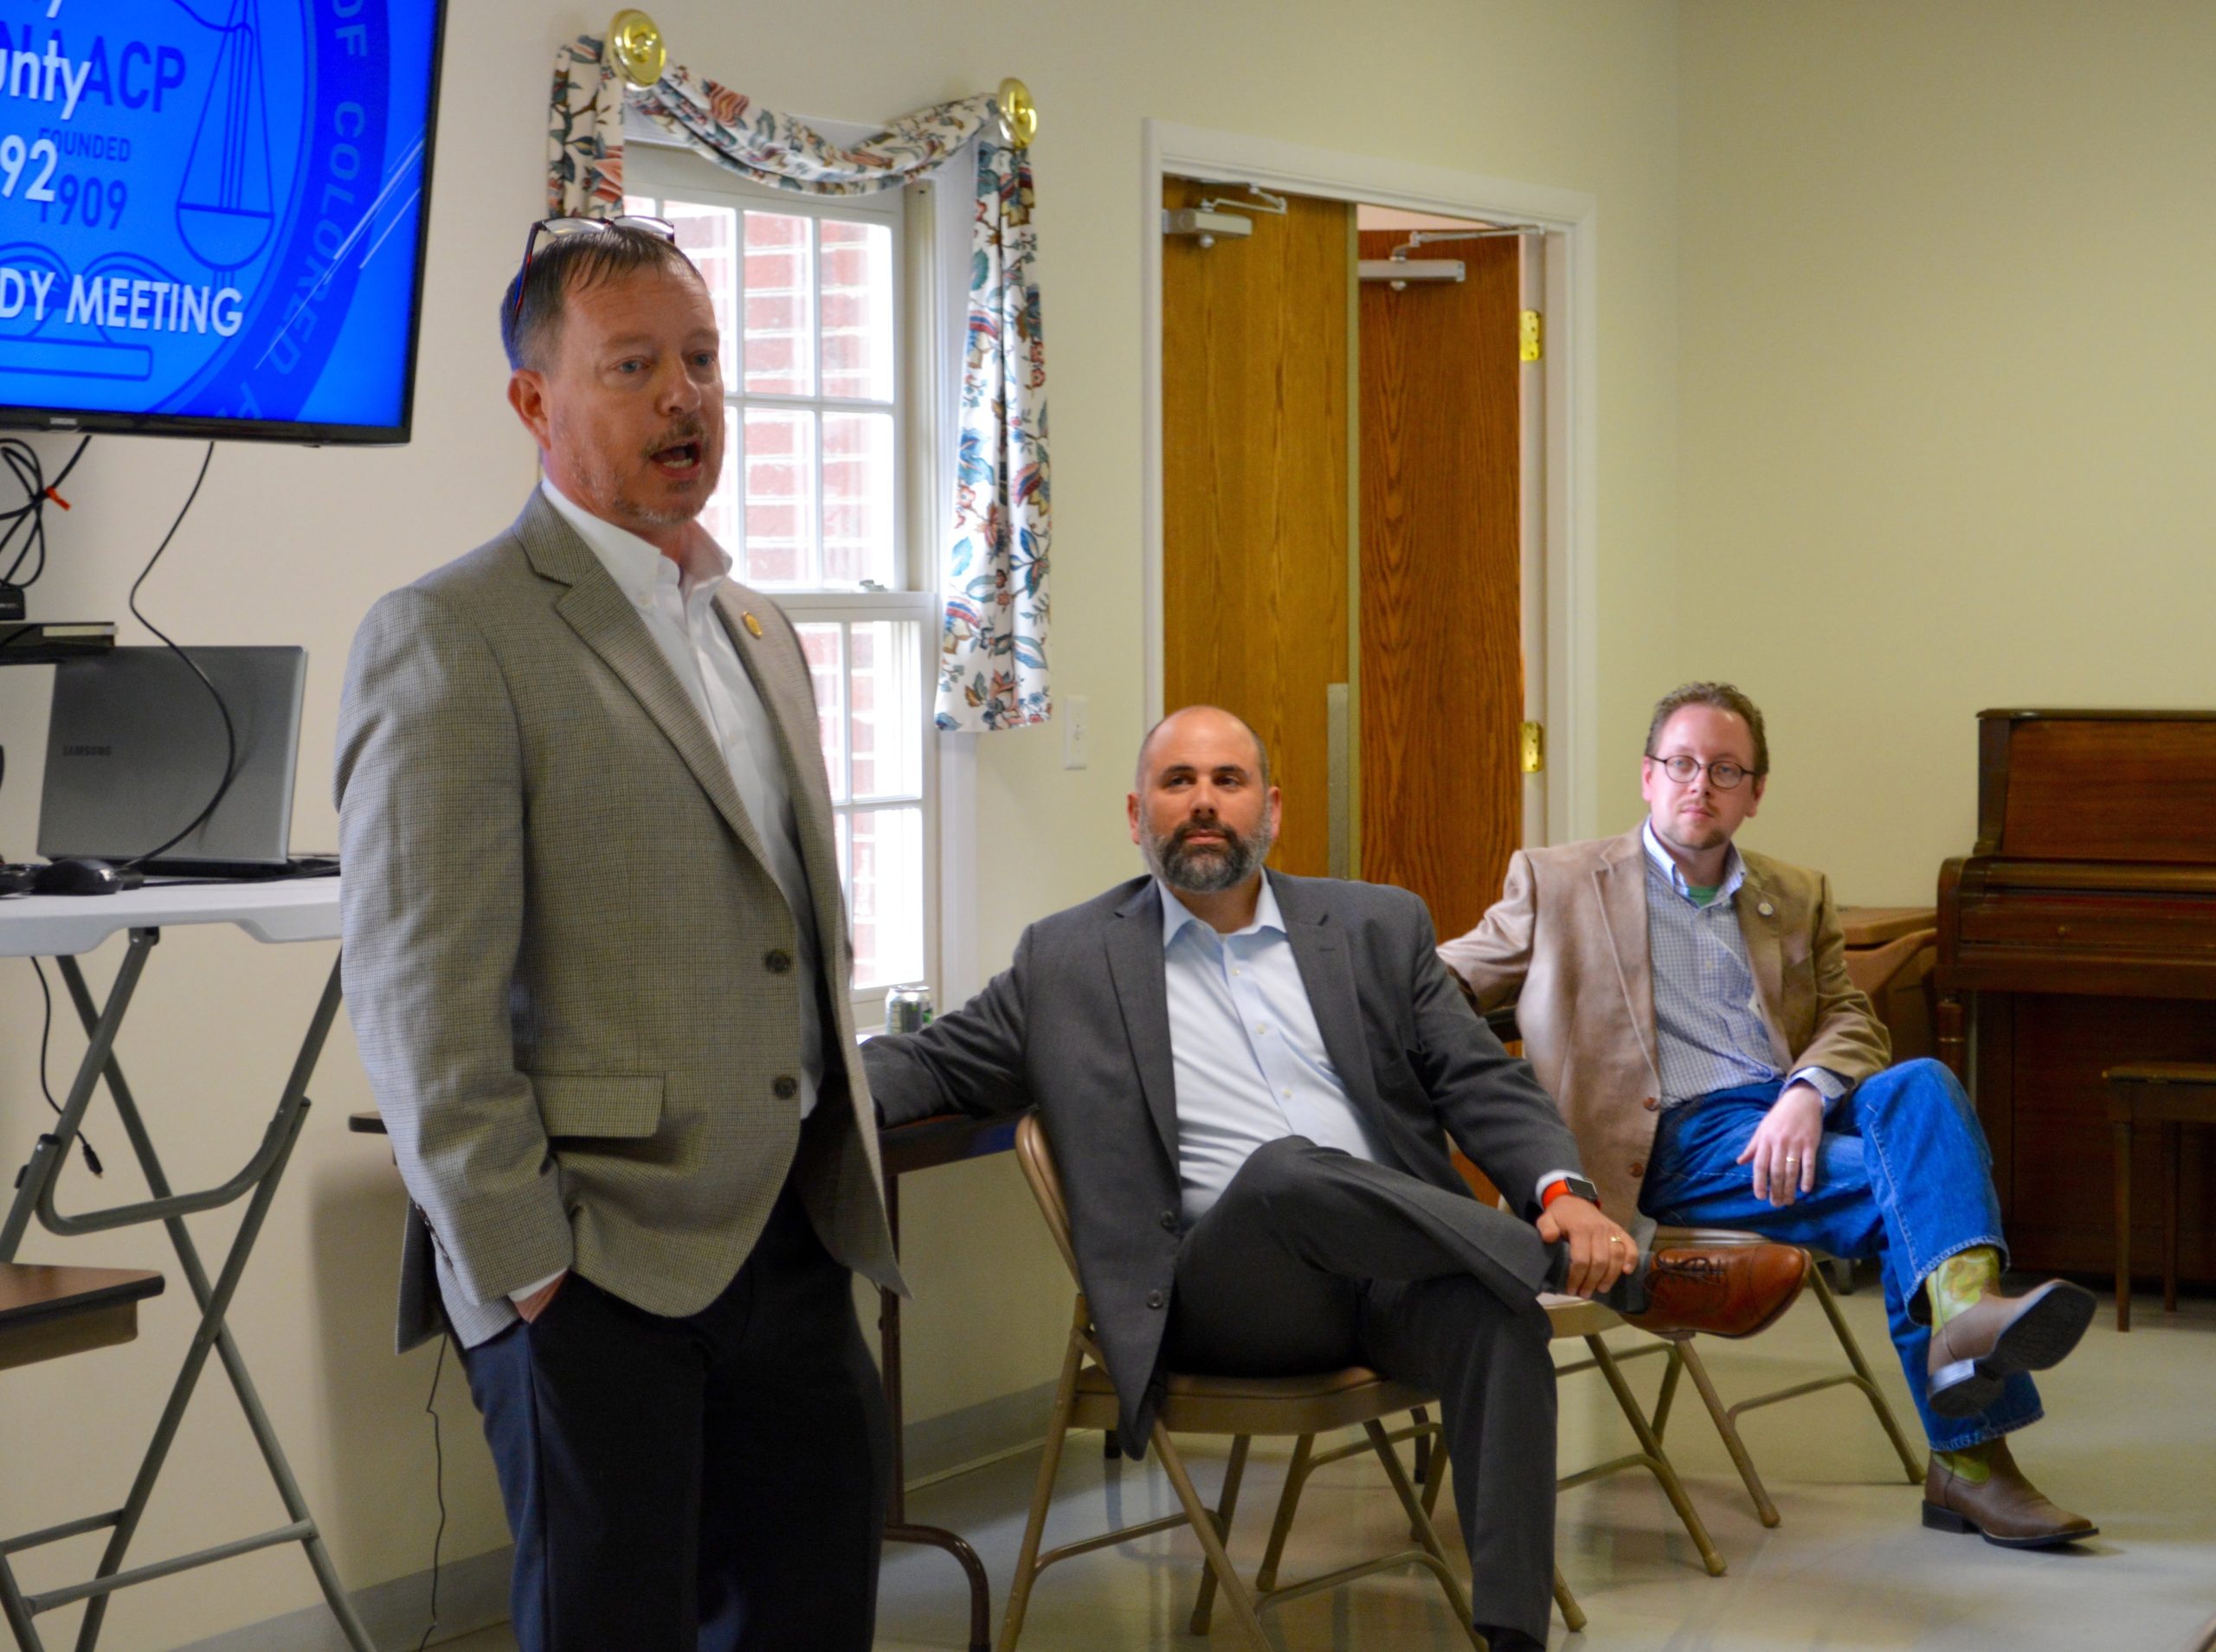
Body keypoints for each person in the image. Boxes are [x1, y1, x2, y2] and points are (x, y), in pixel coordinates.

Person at [863, 705, 1807, 1652]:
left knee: (1494, 1322)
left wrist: (1562, 1192)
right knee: (1285, 1173)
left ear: (1269, 808)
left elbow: (1478, 1077)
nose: (1203, 804)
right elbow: (932, 1065)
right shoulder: (1066, 958)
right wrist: (794, 1091)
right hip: (1225, 1292)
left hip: (1394, 1268)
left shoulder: (1372, 925)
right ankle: (1619, 1278)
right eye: (1177, 782)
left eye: (1227, 782)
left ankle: (1512, 1636)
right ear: (1134, 812)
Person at [335, 217, 902, 1651]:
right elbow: (421, 997)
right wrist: (528, 1266)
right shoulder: (453, 633)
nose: (685, 398)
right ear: (537, 401)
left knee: (813, 1614)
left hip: (793, 1232)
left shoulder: (759, 630)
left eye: (703, 361)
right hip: (592, 1263)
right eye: (635, 364)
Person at [1440, 680, 2098, 1550]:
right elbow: (1437, 985)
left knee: (1924, 1083)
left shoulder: (1795, 891)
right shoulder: (1556, 882)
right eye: (1680, 764)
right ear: (1646, 775)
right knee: (1915, 1198)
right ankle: (1972, 1442)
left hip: (1787, 1117)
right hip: (1669, 1140)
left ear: (1755, 792)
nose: (1698, 785)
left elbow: (1849, 1016)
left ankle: (1963, 1330)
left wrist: (1804, 1092)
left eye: (1724, 770)